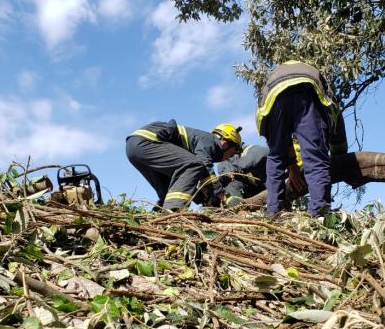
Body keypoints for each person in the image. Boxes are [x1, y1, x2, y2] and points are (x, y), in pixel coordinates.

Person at [255, 60, 347, 217]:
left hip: (272, 97)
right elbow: (337, 129)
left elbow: (281, 145)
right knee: (315, 157)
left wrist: (291, 164)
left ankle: (273, 212)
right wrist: (340, 157)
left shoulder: (276, 75)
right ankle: (320, 213)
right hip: (306, 91)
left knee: (276, 156)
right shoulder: (328, 102)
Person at [126, 120, 242, 210]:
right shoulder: (210, 140)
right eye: (232, 152)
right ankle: (173, 212)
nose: (230, 158)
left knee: (169, 189)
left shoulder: (197, 146)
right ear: (225, 143)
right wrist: (223, 196)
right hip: (147, 141)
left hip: (134, 146)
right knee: (194, 165)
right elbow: (203, 165)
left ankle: (160, 215)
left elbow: (189, 182)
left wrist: (204, 200)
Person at [218, 143, 307, 206]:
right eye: (286, 170)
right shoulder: (261, 153)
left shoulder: (276, 174)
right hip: (234, 179)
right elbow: (234, 170)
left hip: (253, 188)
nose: (285, 174)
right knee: (232, 181)